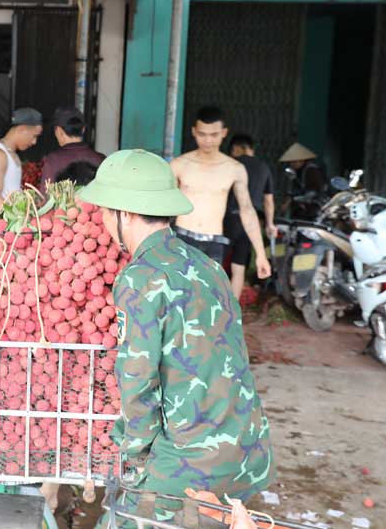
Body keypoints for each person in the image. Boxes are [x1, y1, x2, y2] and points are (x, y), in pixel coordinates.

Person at [77, 149, 274, 529]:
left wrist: (135, 453)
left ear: (125, 214)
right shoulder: (208, 265)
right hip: (247, 444)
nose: (101, 219)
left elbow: (137, 378)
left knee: (120, 523)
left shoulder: (140, 278)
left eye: (104, 210)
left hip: (191, 456)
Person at [170, 106, 271, 280]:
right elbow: (164, 206)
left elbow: (247, 211)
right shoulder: (179, 165)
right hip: (181, 238)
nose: (208, 140)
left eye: (214, 135)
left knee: (208, 295)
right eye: (202, 134)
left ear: (224, 133)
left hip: (214, 243)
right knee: (176, 293)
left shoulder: (235, 169)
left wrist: (261, 254)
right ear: (194, 132)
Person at [224, 134, 277, 300]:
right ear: (251, 149)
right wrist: (269, 224)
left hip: (227, 219)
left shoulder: (230, 164)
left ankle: (212, 305)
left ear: (236, 148)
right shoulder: (264, 167)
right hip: (251, 223)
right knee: (238, 267)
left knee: (215, 264)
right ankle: (232, 308)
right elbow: (268, 200)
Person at [0, 107, 43, 221]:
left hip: (9, 222)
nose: (34, 142)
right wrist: (21, 218)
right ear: (21, 129)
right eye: (34, 136)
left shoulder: (11, 154)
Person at [40, 106, 104, 187]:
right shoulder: (101, 159)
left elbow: (46, 193)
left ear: (59, 131)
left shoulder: (53, 161)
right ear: (83, 129)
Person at [278, 142, 326, 210]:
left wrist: (293, 199)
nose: (291, 164)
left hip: (316, 205)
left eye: (294, 162)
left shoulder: (312, 171)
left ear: (302, 161)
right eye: (290, 162)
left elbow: (313, 193)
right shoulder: (297, 171)